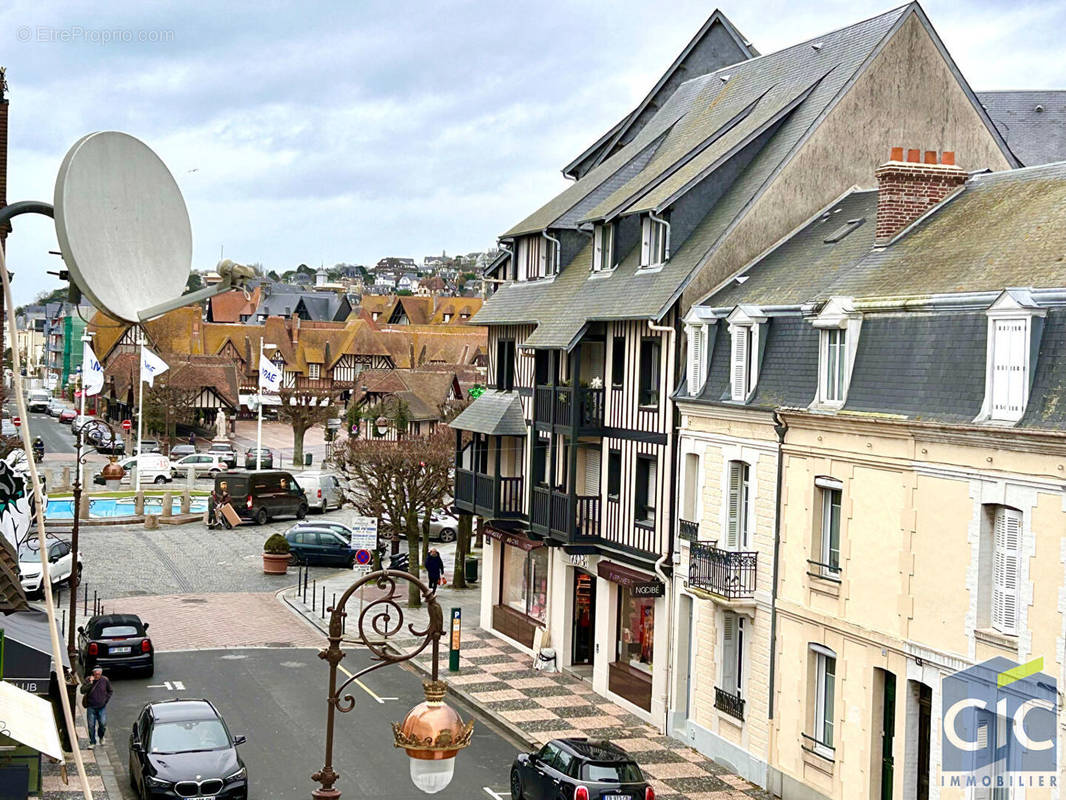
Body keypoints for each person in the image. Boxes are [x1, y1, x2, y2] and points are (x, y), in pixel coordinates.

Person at [80, 666, 113, 749]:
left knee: (102, 724)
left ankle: (101, 737)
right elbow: (82, 690)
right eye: (96, 674)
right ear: (93, 673)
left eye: (99, 674)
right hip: (91, 707)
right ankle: (92, 742)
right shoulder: (88, 679)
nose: (97, 675)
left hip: (101, 707)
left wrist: (105, 700)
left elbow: (110, 691)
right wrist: (90, 683)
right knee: (91, 725)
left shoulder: (105, 680)